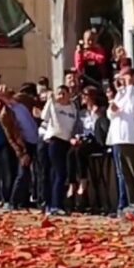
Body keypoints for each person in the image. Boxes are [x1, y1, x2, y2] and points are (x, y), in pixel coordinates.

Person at [107, 68, 134, 216]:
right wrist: (114, 103)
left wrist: (130, 87)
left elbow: (133, 109)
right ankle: (132, 205)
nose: (122, 81)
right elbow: (111, 114)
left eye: (124, 77)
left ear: (133, 77)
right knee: (126, 176)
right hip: (119, 139)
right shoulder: (121, 95)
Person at [41, 85, 79, 215]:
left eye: (64, 93)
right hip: (55, 141)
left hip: (67, 142)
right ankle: (55, 205)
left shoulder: (73, 108)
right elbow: (43, 117)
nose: (61, 96)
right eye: (59, 94)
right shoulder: (54, 105)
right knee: (59, 172)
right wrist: (49, 100)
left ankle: (57, 203)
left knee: (62, 174)